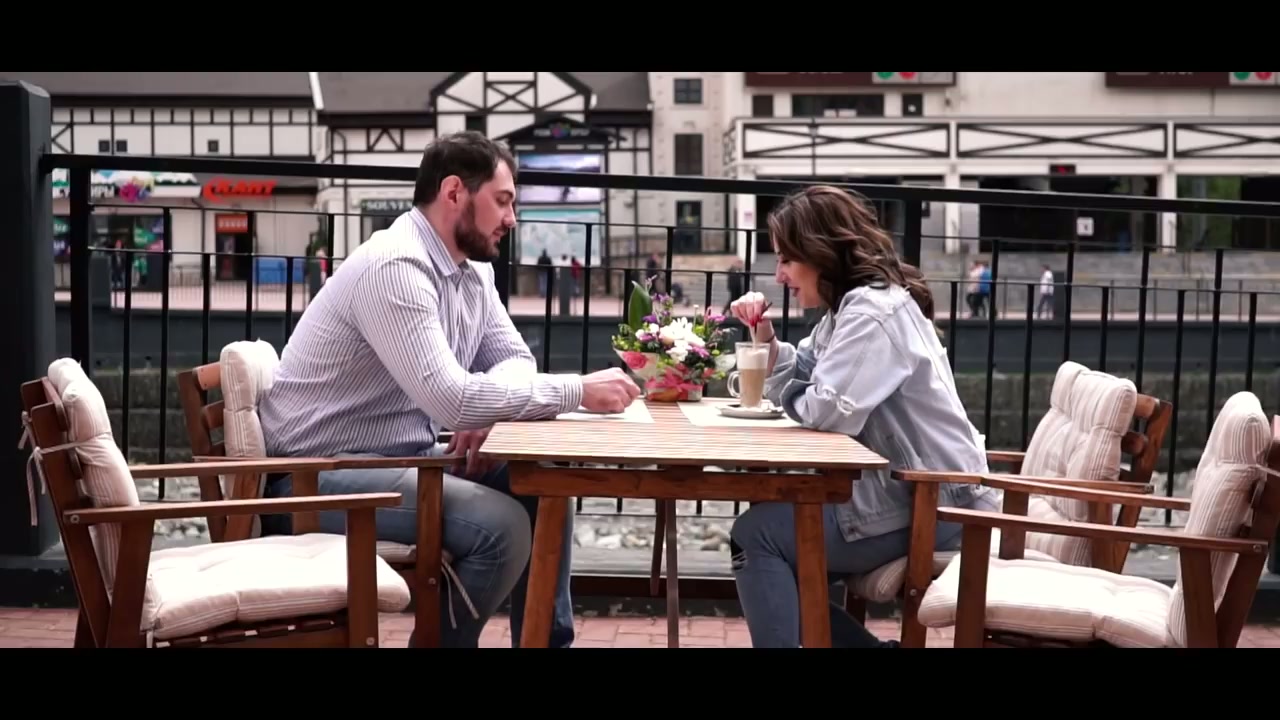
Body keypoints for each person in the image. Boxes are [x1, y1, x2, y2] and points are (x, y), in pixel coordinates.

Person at [255, 130, 642, 648]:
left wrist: (489, 413)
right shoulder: (396, 267)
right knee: (501, 529)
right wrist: (576, 390)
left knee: (543, 482)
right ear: (455, 192)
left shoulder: (471, 271)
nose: (512, 218)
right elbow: (452, 400)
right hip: (313, 479)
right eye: (502, 201)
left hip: (395, 461)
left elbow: (514, 360)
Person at [726, 185, 999, 649]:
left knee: (759, 536)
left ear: (821, 252)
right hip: (913, 493)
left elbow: (827, 411)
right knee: (769, 538)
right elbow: (810, 370)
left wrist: (797, 393)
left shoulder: (871, 313)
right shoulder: (851, 307)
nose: (779, 275)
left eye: (787, 260)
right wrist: (766, 339)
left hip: (936, 503)